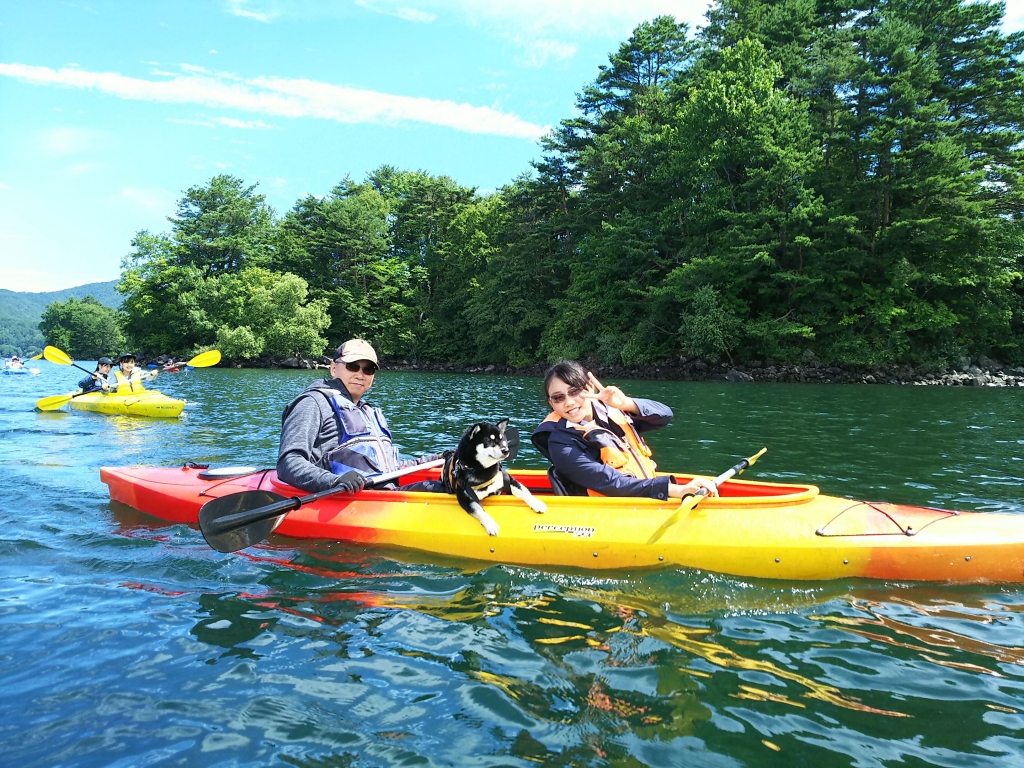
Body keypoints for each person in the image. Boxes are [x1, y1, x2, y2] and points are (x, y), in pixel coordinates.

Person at [532, 360, 719, 500]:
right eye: (558, 398)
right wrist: (677, 490)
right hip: (610, 514)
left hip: (644, 495)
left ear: (589, 387)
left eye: (575, 391)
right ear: (551, 403)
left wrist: (625, 403)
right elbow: (612, 483)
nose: (569, 402)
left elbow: (665, 415)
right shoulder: (560, 444)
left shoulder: (612, 413)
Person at [277, 338, 441, 493]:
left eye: (368, 369)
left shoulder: (367, 411)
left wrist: (439, 458)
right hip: (348, 501)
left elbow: (391, 468)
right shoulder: (312, 403)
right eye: (352, 366)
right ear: (333, 368)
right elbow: (289, 462)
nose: (360, 374)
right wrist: (333, 480)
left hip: (385, 496)